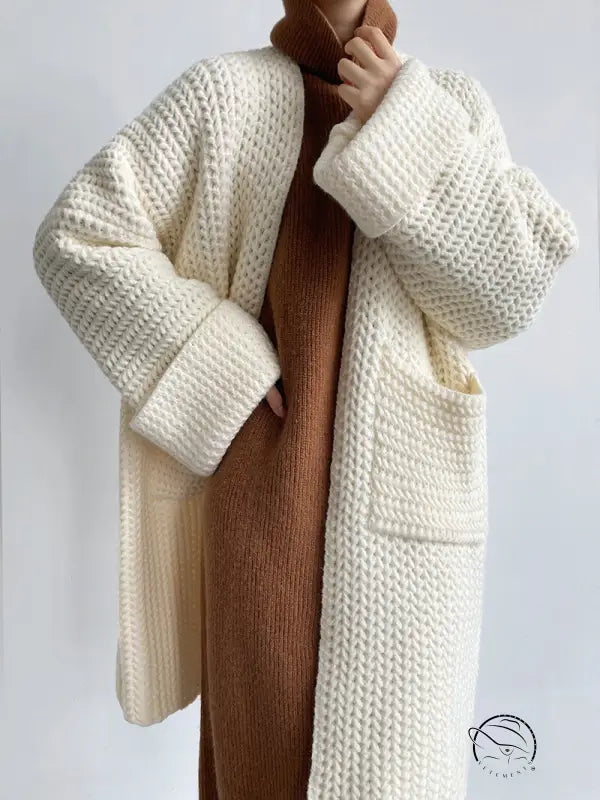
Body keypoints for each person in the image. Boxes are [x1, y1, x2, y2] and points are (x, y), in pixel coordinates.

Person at [32, 1, 579, 798]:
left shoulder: (448, 105)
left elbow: (502, 299)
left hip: (411, 533)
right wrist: (222, 370)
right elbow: (79, 235)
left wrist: (401, 120)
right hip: (264, 509)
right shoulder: (224, 96)